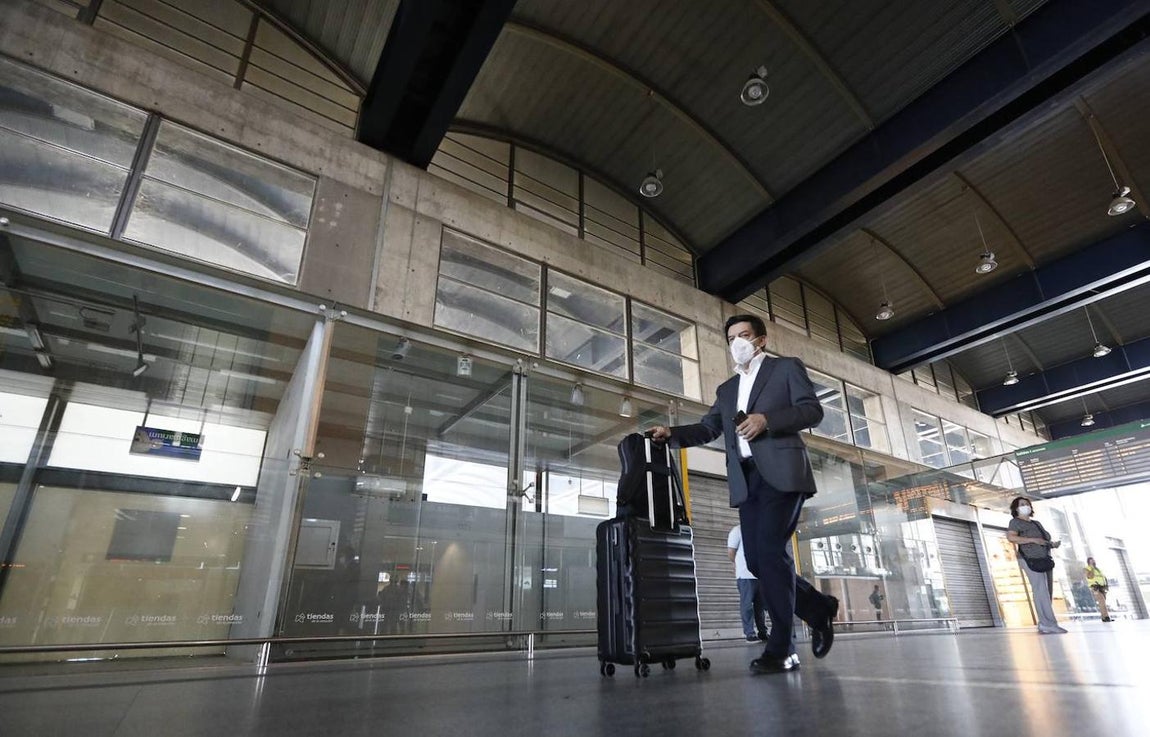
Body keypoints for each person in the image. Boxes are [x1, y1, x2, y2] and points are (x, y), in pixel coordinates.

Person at [650, 314, 838, 674]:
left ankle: (781, 648)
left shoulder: (785, 369)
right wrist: (671, 434)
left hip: (782, 474)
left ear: (761, 339)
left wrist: (767, 419)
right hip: (746, 481)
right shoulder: (726, 390)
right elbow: (707, 428)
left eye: (745, 335)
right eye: (732, 337)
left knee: (768, 553)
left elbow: (812, 410)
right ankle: (818, 608)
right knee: (756, 561)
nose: (738, 342)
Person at [1006, 496, 1066, 634]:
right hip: (1029, 559)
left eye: (1027, 504)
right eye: (1022, 504)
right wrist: (1032, 539)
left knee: (1045, 590)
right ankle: (1047, 623)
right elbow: (1011, 537)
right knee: (1040, 590)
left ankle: (1046, 623)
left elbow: (1043, 540)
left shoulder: (1036, 523)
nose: (1025, 506)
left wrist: (1051, 544)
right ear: (1016, 508)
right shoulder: (1015, 522)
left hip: (1044, 558)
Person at [728, 524, 769, 643]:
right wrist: (739, 565)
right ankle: (749, 633)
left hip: (760, 575)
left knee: (760, 607)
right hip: (745, 575)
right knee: (747, 605)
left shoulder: (761, 530)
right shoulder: (737, 530)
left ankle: (763, 632)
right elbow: (731, 553)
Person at [1084, 557, 1112, 622]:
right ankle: (1106, 617)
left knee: (1103, 602)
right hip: (1095, 587)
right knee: (1102, 602)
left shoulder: (1098, 569)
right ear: (1088, 562)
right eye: (1091, 561)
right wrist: (1092, 568)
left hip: (1102, 587)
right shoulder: (1087, 569)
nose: (1093, 562)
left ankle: (1104, 617)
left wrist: (1106, 585)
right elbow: (1090, 576)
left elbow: (1103, 577)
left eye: (1094, 560)